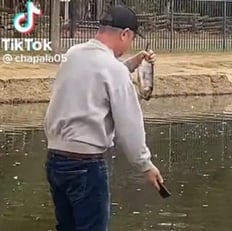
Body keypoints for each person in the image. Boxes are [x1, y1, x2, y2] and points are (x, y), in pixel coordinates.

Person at [44, 5, 164, 231]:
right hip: (86, 165)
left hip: (55, 161)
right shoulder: (113, 70)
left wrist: (131, 64)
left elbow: (99, 75)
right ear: (125, 33)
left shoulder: (73, 54)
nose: (130, 45)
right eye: (131, 39)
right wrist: (145, 165)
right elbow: (129, 127)